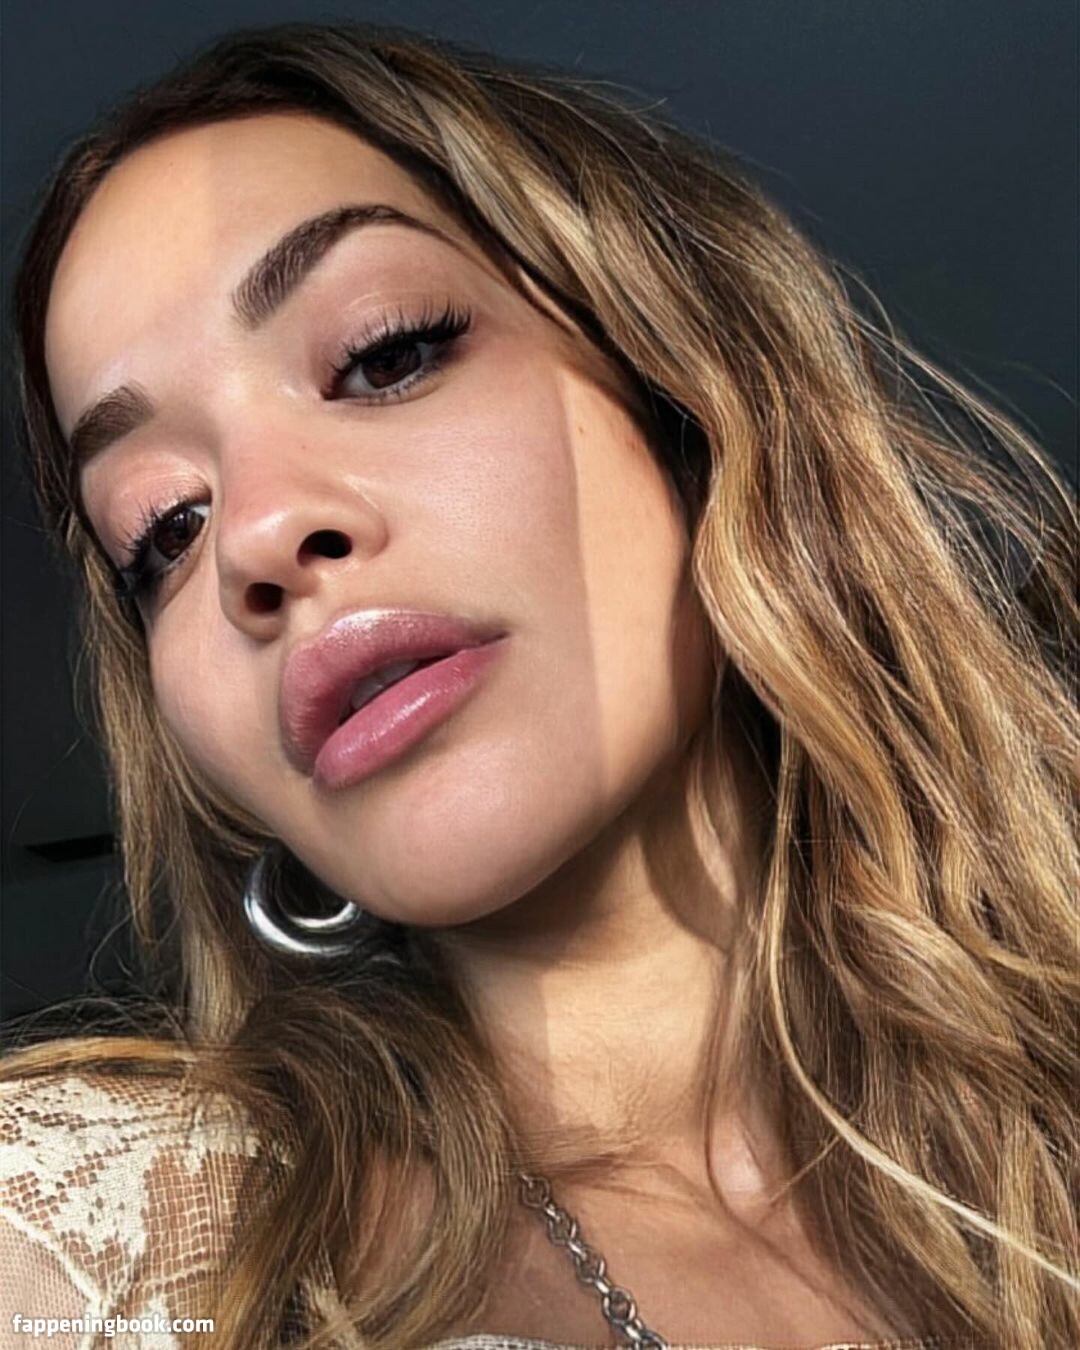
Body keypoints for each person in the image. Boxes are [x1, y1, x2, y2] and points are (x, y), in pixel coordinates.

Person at [1, 19, 1076, 1350]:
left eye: (385, 352)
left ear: (683, 399)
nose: (256, 540)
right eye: (164, 526)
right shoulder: (87, 1245)